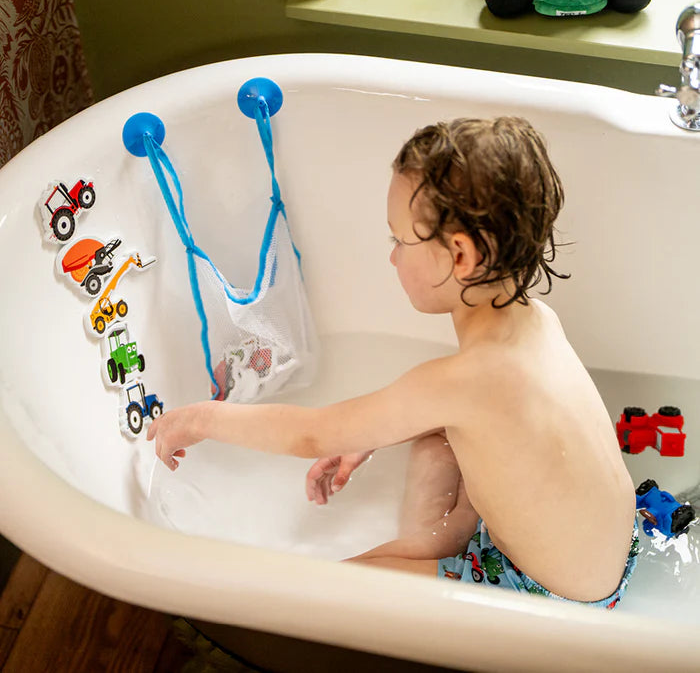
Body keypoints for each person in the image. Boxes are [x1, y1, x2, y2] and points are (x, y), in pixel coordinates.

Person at [147, 117, 638, 608]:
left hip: (553, 600)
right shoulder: (536, 322)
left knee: (338, 588)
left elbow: (310, 435)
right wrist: (367, 437)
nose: (392, 260)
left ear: (460, 256)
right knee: (438, 435)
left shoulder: (467, 379)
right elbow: (474, 416)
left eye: (400, 242)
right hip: (600, 550)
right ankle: (431, 547)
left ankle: (427, 553)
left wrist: (203, 417)